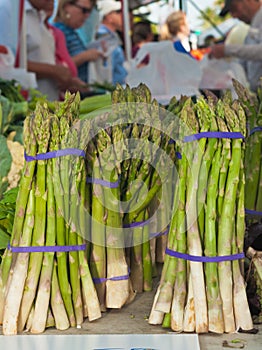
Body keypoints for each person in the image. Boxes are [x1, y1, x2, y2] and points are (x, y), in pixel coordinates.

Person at [25, 0, 85, 101]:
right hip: (29, 104)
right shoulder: (10, 12)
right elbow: (9, 65)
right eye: (84, 10)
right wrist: (54, 71)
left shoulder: (39, 18)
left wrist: (66, 79)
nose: (52, 3)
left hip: (48, 102)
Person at [209, 0, 262, 92]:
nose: (234, 16)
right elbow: (243, 64)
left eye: (234, 8)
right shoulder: (251, 31)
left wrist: (227, 49)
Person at [52, 0, 103, 84]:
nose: (87, 16)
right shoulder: (57, 31)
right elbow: (56, 67)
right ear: (67, 6)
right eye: (84, 10)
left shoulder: (71, 31)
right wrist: (85, 56)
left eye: (90, 11)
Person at [96, 0, 127, 86]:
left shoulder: (112, 35)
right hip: (111, 90)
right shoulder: (102, 36)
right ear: (108, 16)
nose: (122, 15)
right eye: (118, 12)